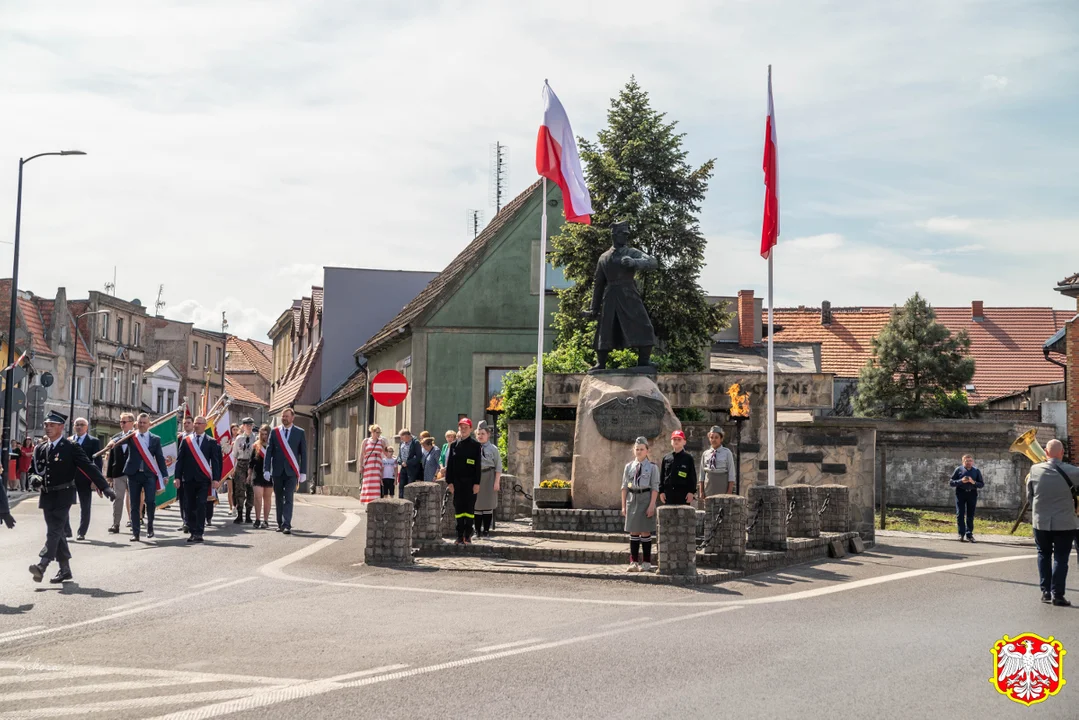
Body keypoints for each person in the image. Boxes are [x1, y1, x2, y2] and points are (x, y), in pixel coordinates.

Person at [28, 411, 115, 583]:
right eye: (46, 424)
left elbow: (89, 467)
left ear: (61, 427)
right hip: (47, 495)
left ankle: (42, 565)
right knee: (57, 532)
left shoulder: (71, 447)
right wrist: (34, 479)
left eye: (52, 425)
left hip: (64, 494)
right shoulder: (40, 448)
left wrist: (104, 487)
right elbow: (32, 470)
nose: (48, 428)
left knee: (54, 530)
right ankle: (65, 569)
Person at [1028, 439, 1078, 607]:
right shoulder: (1073, 471)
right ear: (1062, 453)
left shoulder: (1034, 470)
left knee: (1043, 554)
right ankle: (1058, 594)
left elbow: (1030, 495)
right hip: (1065, 522)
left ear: (1046, 453)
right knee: (1061, 558)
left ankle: (1045, 592)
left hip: (1041, 521)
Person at [120, 413, 168, 542]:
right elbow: (119, 440)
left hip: (149, 475)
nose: (142, 425)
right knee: (134, 504)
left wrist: (164, 475)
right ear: (136, 423)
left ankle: (150, 528)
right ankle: (135, 532)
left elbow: (159, 457)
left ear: (149, 424)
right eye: (140, 422)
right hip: (134, 474)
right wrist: (114, 441)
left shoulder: (155, 439)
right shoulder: (132, 436)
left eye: (144, 423)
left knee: (150, 502)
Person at [175, 415, 223, 543]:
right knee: (189, 505)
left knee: (201, 504)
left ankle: (199, 531)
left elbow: (216, 462)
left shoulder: (211, 442)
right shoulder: (186, 440)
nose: (196, 425)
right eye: (195, 423)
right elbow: (180, 460)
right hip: (189, 478)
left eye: (199, 423)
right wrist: (177, 477)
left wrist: (216, 479)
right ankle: (192, 531)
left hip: (203, 479)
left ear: (205, 425)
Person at [264, 407, 306, 534]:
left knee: (288, 497)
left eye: (287, 416)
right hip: (277, 471)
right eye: (283, 416)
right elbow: (269, 452)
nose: (284, 418)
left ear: (292, 418)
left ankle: (287, 524)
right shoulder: (275, 432)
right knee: (278, 498)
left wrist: (303, 471)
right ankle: (280, 523)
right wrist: (266, 469)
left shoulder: (300, 432)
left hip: (291, 472)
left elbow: (303, 453)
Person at [622, 436, 660, 572]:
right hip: (632, 499)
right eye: (637, 449)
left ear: (647, 451)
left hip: (645, 499)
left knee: (645, 531)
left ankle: (646, 562)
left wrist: (651, 505)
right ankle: (633, 562)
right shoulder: (629, 467)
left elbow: (655, 488)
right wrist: (623, 505)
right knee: (634, 531)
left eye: (641, 449)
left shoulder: (652, 467)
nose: (639, 451)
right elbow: (624, 487)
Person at [445, 418, 482, 544]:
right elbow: (449, 464)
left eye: (466, 427)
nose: (463, 429)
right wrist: (449, 482)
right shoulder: (454, 445)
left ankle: (468, 534)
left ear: (471, 429)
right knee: (459, 509)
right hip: (457, 483)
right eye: (461, 427)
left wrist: (477, 483)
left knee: (469, 509)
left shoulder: (476, 445)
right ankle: (459, 535)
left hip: (470, 482)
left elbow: (478, 466)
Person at [68, 417, 102, 541]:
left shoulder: (94, 441)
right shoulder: (69, 440)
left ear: (87, 427)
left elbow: (97, 462)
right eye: (77, 424)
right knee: (65, 504)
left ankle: (81, 532)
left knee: (85, 506)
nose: (79, 427)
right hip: (70, 478)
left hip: (85, 478)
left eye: (82, 425)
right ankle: (66, 530)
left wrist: (96, 479)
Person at [105, 413, 135, 534]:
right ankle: (115, 523)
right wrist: (109, 475)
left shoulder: (136, 436)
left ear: (132, 423)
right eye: (121, 422)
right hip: (118, 472)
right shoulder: (115, 438)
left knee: (133, 498)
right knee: (118, 498)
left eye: (124, 422)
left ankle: (134, 522)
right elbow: (111, 457)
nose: (122, 424)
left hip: (132, 472)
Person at [473, 422, 501, 538]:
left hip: (489, 476)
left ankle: (486, 530)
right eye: (478, 434)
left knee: (488, 504)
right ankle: (477, 530)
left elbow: (498, 466)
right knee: (477, 505)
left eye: (483, 433)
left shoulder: (493, 449)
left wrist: (496, 482)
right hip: (476, 477)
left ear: (488, 434)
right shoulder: (473, 448)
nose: (480, 436)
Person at [950, 454, 984, 542]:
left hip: (972, 493)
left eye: (970, 461)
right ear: (963, 462)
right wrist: (961, 481)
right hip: (960, 493)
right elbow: (951, 482)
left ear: (972, 461)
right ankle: (961, 534)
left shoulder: (976, 471)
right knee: (960, 514)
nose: (968, 462)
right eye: (966, 461)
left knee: (970, 515)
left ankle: (969, 534)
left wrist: (973, 482)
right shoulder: (959, 470)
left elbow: (981, 484)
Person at [660, 430, 696, 506]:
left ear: (684, 442)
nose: (676, 441)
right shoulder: (666, 458)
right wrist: (661, 492)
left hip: (683, 494)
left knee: (683, 516)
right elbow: (662, 476)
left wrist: (691, 492)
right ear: (671, 441)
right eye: (674, 439)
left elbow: (692, 476)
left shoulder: (688, 458)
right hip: (668, 494)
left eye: (679, 439)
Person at [230, 418, 256, 524]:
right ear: (243, 426)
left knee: (251, 490)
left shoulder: (256, 438)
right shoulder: (239, 439)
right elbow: (234, 455)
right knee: (239, 490)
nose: (248, 427)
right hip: (241, 464)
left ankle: (248, 514)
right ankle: (239, 514)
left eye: (250, 425)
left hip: (252, 465)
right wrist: (233, 468)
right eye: (246, 425)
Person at [699, 425, 735, 501]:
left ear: (721, 439)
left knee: (721, 510)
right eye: (711, 437)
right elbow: (702, 474)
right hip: (709, 486)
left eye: (716, 437)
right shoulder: (705, 454)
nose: (713, 440)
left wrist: (729, 491)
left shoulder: (727, 453)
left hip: (722, 485)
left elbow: (731, 473)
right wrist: (701, 491)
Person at [250, 424, 273, 528]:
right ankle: (257, 519)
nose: (264, 436)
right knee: (258, 497)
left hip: (269, 475)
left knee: (267, 498)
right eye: (262, 434)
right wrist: (249, 474)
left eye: (266, 434)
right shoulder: (256, 445)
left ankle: (266, 520)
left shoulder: (273, 445)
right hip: (257, 474)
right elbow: (251, 462)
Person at [360, 425, 385, 503]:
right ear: (372, 432)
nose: (378, 434)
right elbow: (362, 454)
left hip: (378, 465)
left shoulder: (381, 441)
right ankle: (368, 501)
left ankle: (376, 501)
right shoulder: (366, 441)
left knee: (377, 483)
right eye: (377, 432)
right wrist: (361, 466)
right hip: (368, 465)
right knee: (368, 482)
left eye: (379, 432)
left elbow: (385, 452)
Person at [396, 429, 422, 497]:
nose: (401, 438)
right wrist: (400, 461)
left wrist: (408, 463)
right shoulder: (402, 443)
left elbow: (418, 457)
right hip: (403, 467)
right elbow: (399, 455)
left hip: (412, 469)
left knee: (409, 486)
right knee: (401, 486)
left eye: (402, 437)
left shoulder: (415, 443)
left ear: (407, 436)